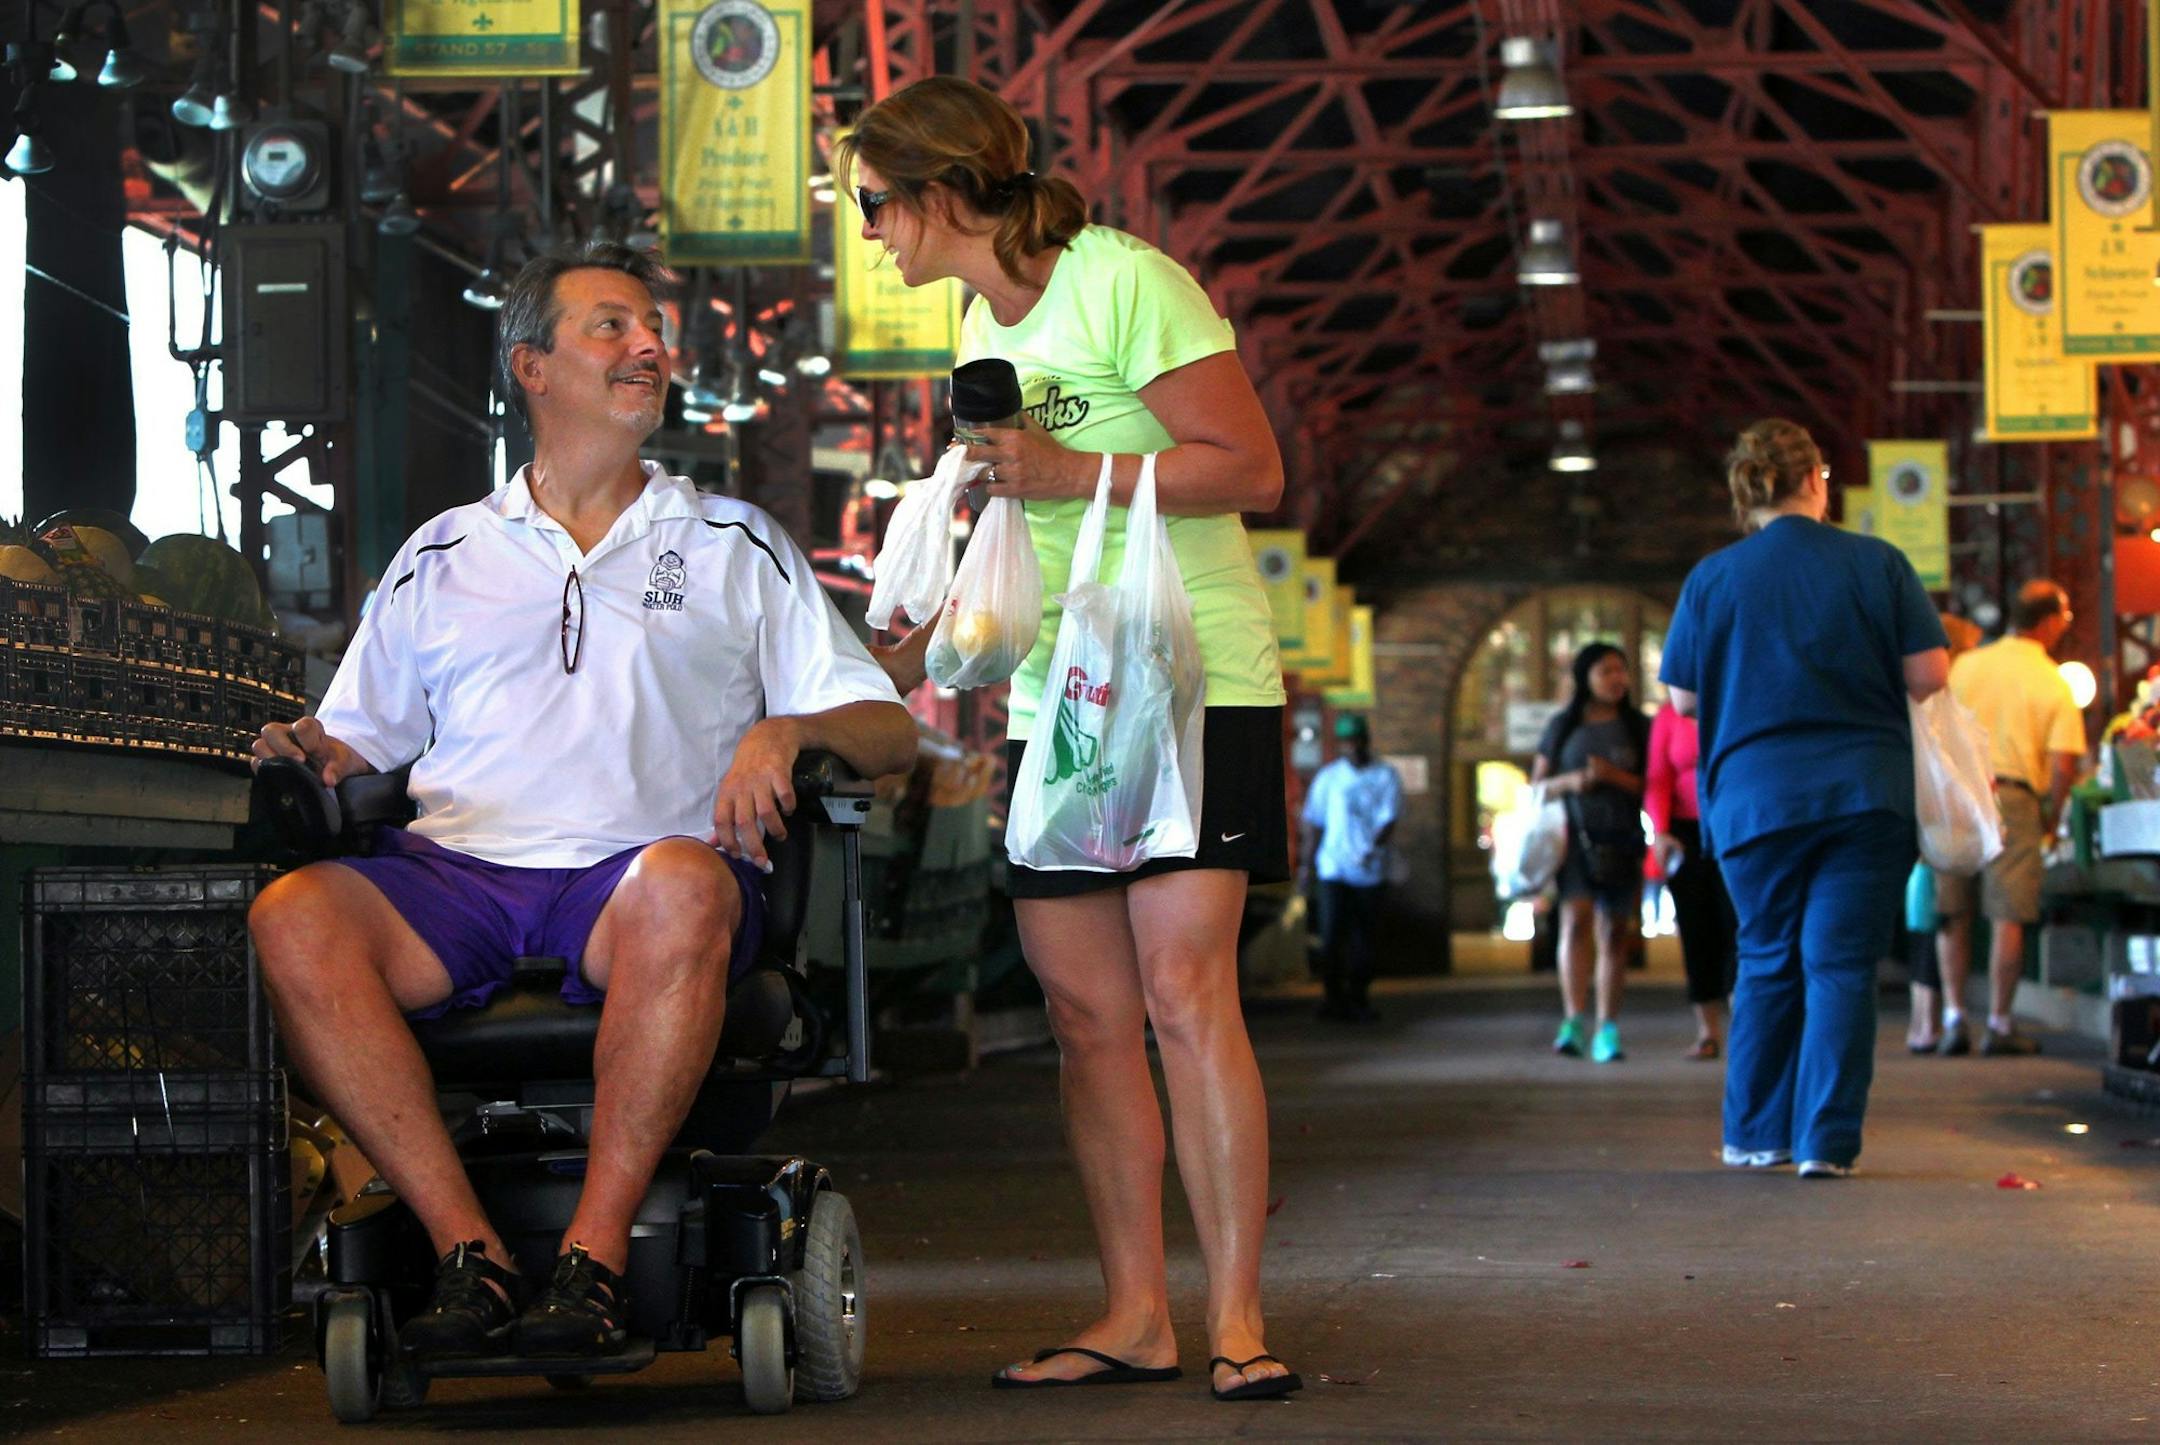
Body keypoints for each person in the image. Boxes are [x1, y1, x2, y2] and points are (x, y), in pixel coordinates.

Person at [246, 242, 917, 1363]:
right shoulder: (442, 553)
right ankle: (472, 1252)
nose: (648, 345)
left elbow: (886, 726)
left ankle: (594, 1261)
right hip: (461, 874)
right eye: (611, 326)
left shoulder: (729, 541)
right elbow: (359, 736)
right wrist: (306, 744)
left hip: (641, 875)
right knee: (292, 914)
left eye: (652, 329)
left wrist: (788, 727)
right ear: (533, 367)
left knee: (681, 886)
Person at [836, 77, 1300, 1401]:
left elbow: (1252, 466)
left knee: (1181, 992)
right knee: (1088, 1012)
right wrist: (902, 655)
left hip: (1190, 678)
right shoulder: (984, 323)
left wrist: (1066, 469)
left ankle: (1240, 1320)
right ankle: (1138, 1312)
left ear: (937, 194)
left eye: (875, 205)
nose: (870, 233)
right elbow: (1015, 533)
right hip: (1057, 703)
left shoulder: (1124, 282)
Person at [1661, 418, 1949, 1180]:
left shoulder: (1713, 579)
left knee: (1763, 958)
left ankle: (1755, 1133)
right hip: (1864, 794)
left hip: (1754, 801)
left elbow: (1683, 699)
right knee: (1840, 965)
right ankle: (1825, 1141)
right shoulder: (1879, 563)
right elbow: (1929, 674)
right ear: (1819, 480)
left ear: (1744, 492)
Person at [1932, 581, 2085, 1057]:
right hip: (2013, 797)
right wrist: (2052, 818)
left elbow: (1934, 720)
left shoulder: (1969, 663)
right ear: (2051, 621)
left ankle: (1954, 1017)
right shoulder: (2053, 680)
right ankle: (1999, 1023)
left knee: (1952, 910)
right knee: (2007, 915)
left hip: (1957, 791)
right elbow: (2063, 764)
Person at [1531, 643, 1649, 1064]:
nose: (1617, 679)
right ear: (1585, 677)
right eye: (1606, 671)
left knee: (1615, 934)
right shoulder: (1562, 726)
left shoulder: (1639, 727)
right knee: (1574, 920)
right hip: (1574, 839)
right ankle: (1573, 1019)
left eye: (1622, 670)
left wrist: (1615, 776)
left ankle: (1608, 1027)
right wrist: (1573, 782)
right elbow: (1537, 788)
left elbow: (1653, 789)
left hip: (1622, 839)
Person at [1901, 612, 1983, 1053]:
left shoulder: (1925, 689)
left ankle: (1933, 1018)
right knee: (1946, 915)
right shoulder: (1945, 682)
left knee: (1935, 916)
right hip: (1957, 806)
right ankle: (1942, 1016)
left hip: (1933, 812)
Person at [1646, 698, 1737, 1059]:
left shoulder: (1733, 702)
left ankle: (1746, 1023)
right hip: (1686, 834)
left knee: (1739, 926)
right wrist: (1660, 831)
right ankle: (1708, 1030)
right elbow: (1657, 777)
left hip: (1734, 827)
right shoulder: (1669, 716)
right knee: (1697, 930)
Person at [1299, 714, 1403, 1023]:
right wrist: (1308, 866)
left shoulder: (1385, 776)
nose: (1354, 748)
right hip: (1334, 868)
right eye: (1348, 743)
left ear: (1366, 741)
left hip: (1369, 871)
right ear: (1341, 746)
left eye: (1358, 742)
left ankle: (1359, 997)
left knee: (1364, 938)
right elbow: (1314, 823)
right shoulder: (1329, 778)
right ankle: (1333, 999)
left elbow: (1389, 819)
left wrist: (1372, 848)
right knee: (1331, 936)